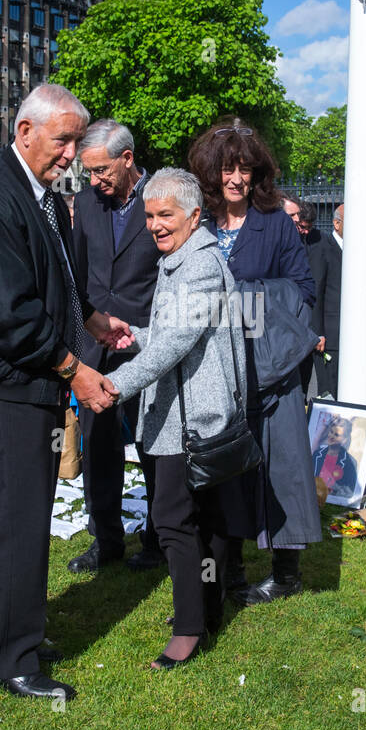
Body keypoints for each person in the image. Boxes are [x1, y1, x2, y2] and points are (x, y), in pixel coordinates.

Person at [0, 83, 131, 701]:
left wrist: (93, 319)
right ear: (25, 132)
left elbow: (50, 281)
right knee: (19, 520)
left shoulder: (31, 192)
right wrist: (75, 367)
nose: (73, 154)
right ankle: (11, 661)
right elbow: (10, 313)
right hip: (10, 383)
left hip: (22, 380)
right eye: (64, 140)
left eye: (77, 141)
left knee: (12, 518)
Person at [103, 168, 244, 668]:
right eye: (149, 216)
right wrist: (133, 334)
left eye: (166, 216)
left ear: (193, 215)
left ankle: (190, 627)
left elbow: (177, 345)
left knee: (171, 518)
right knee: (199, 518)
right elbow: (172, 334)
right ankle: (204, 607)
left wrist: (114, 385)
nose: (156, 225)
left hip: (192, 418)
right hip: (183, 412)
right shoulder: (181, 257)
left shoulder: (200, 263)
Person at [187, 117, 318, 606]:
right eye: (227, 169)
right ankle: (232, 568)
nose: (236, 179)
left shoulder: (277, 224)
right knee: (229, 468)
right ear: (211, 173)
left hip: (272, 368)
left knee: (281, 464)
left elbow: (302, 290)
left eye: (244, 169)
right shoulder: (198, 224)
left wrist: (239, 300)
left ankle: (286, 572)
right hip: (216, 370)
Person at [68, 119, 163, 574]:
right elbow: (78, 274)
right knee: (99, 446)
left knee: (153, 446)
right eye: (88, 172)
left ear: (127, 159)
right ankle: (105, 540)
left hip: (146, 344)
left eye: (102, 170)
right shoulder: (86, 203)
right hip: (96, 348)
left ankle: (159, 538)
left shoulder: (163, 200)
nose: (94, 180)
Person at [291, 199, 341, 397]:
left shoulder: (318, 241)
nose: (305, 232)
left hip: (308, 321)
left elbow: (317, 288)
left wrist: (317, 331)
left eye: (308, 228)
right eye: (302, 227)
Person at [312, 415, 359, 496]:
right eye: (331, 432)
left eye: (336, 435)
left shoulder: (350, 463)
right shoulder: (317, 454)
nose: (331, 436)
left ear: (344, 440)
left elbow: (349, 493)